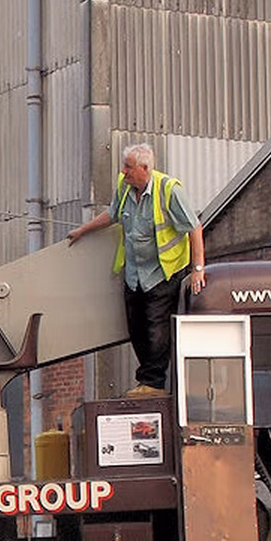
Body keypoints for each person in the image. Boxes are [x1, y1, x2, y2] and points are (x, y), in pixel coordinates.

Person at [65, 143, 206, 397]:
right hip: (134, 275)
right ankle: (146, 379)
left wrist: (198, 269)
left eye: (128, 167)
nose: (124, 172)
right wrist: (83, 230)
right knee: (136, 327)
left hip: (163, 273)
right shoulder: (124, 186)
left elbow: (194, 227)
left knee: (156, 327)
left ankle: (153, 383)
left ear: (144, 168)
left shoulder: (168, 190)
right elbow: (112, 214)